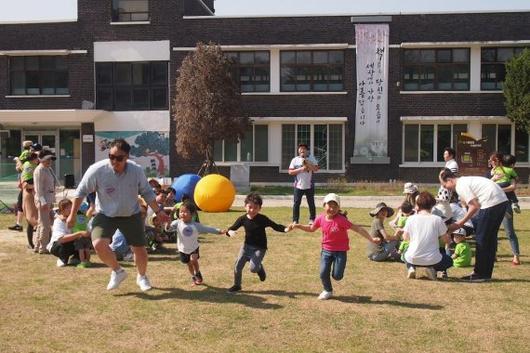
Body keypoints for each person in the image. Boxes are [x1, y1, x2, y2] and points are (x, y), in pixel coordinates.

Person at [67, 138, 170, 292]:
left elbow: (147, 192)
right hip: (105, 214)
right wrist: (72, 215)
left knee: (140, 249)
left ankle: (142, 276)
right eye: (111, 156)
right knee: (98, 244)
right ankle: (117, 271)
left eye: (119, 158)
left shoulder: (136, 170)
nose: (114, 161)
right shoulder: (97, 170)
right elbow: (81, 191)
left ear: (127, 157)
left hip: (131, 214)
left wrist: (159, 211)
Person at [293, 193, 380, 300]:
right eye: (329, 206)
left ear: (339, 208)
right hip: (326, 251)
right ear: (324, 205)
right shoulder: (320, 218)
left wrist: (371, 239)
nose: (332, 209)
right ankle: (327, 290)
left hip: (340, 252)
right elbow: (311, 229)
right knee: (323, 273)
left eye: (335, 206)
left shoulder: (341, 220)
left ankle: (336, 275)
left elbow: (358, 229)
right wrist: (298, 226)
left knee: (337, 276)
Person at [440, 168, 509, 282]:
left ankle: (479, 274)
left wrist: (459, 224)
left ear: (449, 180)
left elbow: (474, 206)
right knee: (489, 239)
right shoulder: (465, 181)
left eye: (444, 185)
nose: (445, 188)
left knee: (482, 239)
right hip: (500, 201)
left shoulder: (460, 185)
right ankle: (485, 274)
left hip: (492, 202)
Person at [226, 193, 290, 293]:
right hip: (246, 247)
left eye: (255, 208)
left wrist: (286, 229)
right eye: (250, 207)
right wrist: (229, 232)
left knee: (253, 268)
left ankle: (259, 268)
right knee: (237, 267)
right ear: (245, 206)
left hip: (259, 248)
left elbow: (275, 226)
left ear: (260, 208)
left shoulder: (262, 219)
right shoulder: (242, 219)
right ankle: (237, 285)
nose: (252, 210)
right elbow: (231, 228)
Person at [166, 201, 225, 285]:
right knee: (189, 264)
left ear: (192, 214)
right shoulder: (177, 223)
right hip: (182, 249)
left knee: (193, 260)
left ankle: (197, 272)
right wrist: (167, 224)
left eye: (185, 212)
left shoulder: (196, 225)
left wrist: (219, 231)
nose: (182, 214)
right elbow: (168, 229)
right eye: (181, 211)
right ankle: (193, 276)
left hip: (193, 247)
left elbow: (207, 228)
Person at [402, 191, 453, 280]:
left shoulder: (411, 219)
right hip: (433, 259)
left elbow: (405, 237)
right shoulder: (437, 219)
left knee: (405, 253)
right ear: (432, 205)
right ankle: (432, 268)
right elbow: (446, 240)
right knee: (449, 261)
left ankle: (411, 268)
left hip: (413, 258)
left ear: (417, 205)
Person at [488, 153, 521, 266]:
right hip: (493, 204)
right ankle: (493, 255)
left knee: (509, 231)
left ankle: (516, 255)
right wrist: (493, 179)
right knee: (493, 231)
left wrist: (500, 190)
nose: (493, 163)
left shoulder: (508, 171)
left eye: (495, 160)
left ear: (500, 161)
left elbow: (513, 186)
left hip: (505, 205)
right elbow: (487, 186)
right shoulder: (491, 173)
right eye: (492, 161)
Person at [48, 199, 91, 267]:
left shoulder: (78, 218)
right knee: (65, 244)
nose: (70, 209)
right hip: (57, 245)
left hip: (73, 242)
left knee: (85, 242)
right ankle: (62, 259)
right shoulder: (59, 221)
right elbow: (61, 239)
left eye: (71, 207)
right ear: (62, 210)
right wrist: (79, 233)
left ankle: (76, 258)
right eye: (67, 208)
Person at [288, 143, 319, 225]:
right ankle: (295, 220)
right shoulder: (295, 160)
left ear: (307, 150)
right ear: (298, 151)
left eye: (304, 149)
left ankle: (312, 219)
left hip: (309, 185)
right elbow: (290, 172)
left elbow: (316, 169)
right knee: (296, 203)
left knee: (311, 203)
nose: (302, 150)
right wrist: (302, 169)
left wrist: (308, 164)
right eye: (300, 148)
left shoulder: (311, 158)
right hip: (298, 185)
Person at [33, 149, 56, 254]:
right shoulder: (39, 170)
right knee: (45, 225)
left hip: (48, 199)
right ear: (41, 159)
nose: (49, 161)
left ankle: (38, 246)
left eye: (50, 159)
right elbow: (38, 189)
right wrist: (43, 202)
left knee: (41, 223)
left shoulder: (48, 169)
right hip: (43, 200)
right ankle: (43, 247)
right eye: (47, 159)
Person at [8, 140, 33, 232]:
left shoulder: (26, 154)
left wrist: (17, 160)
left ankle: (31, 224)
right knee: (22, 202)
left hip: (27, 182)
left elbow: (21, 167)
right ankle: (20, 224)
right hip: (26, 181)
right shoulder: (31, 155)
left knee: (23, 203)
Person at [20, 152, 39, 249]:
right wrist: (35, 187)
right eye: (37, 158)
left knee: (31, 221)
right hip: (29, 193)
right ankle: (33, 243)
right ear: (33, 159)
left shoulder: (28, 165)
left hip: (31, 192)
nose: (38, 160)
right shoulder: (29, 165)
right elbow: (26, 184)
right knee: (32, 219)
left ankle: (32, 243)